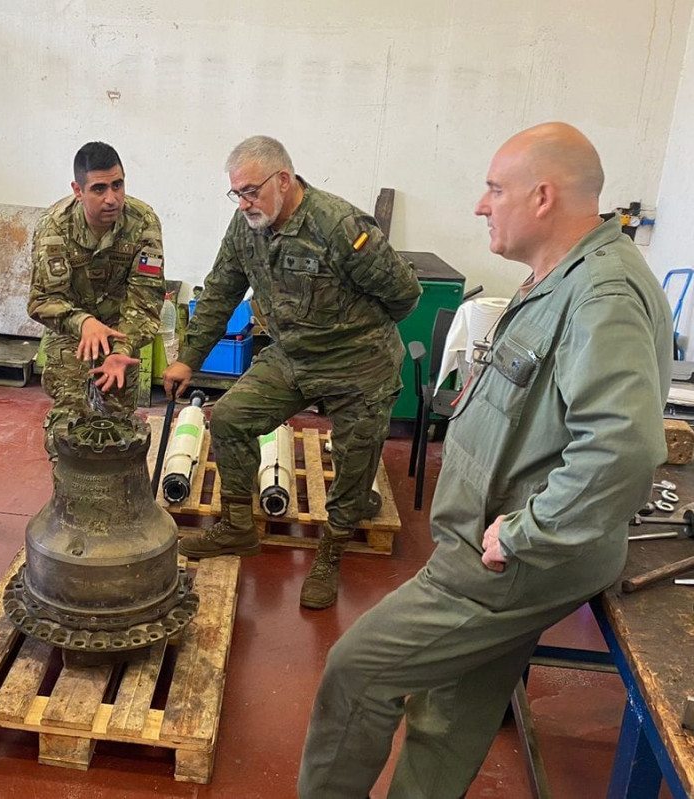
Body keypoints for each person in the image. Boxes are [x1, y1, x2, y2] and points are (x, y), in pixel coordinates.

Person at [298, 123, 672, 797]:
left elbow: (622, 449)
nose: (479, 204)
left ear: (541, 197)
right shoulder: (556, 277)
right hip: (495, 546)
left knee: (357, 671)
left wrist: (526, 530)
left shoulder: (601, 294)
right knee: (448, 711)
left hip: (509, 561)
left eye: (493, 189)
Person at [163, 135, 421, 610]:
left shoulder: (339, 226)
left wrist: (355, 333)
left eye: (250, 192)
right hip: (294, 357)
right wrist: (188, 358)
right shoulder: (246, 228)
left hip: (359, 363)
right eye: (236, 193)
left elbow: (405, 294)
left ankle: (331, 552)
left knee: (353, 462)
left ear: (283, 180)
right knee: (228, 419)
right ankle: (239, 528)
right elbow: (220, 293)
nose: (243, 203)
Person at [27, 141, 165, 457]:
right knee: (68, 423)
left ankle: (116, 497)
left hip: (120, 329)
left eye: (118, 185)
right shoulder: (54, 227)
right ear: (78, 190)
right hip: (71, 330)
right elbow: (42, 299)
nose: (112, 198)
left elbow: (145, 297)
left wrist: (123, 348)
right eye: (99, 189)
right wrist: (83, 322)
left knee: (119, 426)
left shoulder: (143, 222)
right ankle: (67, 496)